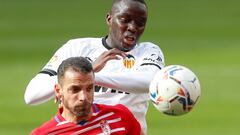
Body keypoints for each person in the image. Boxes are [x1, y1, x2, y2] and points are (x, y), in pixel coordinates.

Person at [25, 0, 165, 134]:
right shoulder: (77, 48)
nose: (133, 27)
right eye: (125, 20)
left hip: (125, 130)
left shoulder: (148, 51)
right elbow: (32, 95)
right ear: (109, 19)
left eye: (140, 23)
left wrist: (89, 75)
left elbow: (151, 83)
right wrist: (87, 71)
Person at [31, 57, 141, 135]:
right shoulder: (44, 133)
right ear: (58, 91)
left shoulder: (120, 116)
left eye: (89, 88)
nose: (83, 97)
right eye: (75, 89)